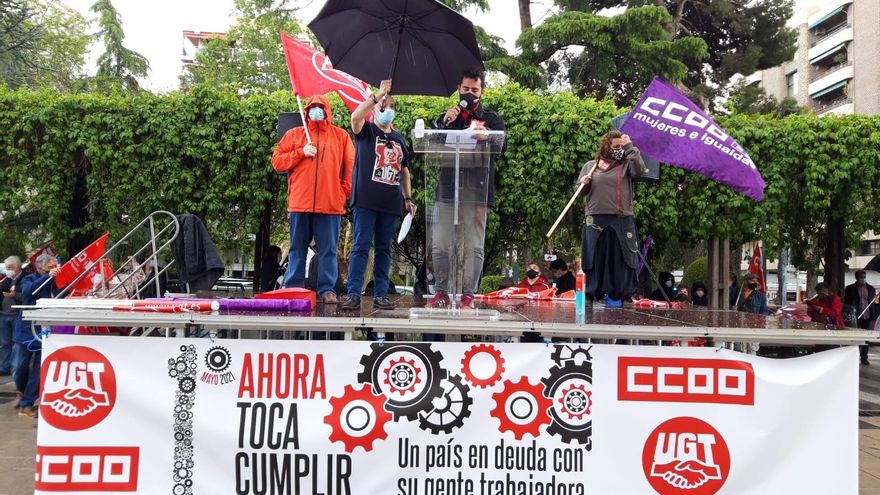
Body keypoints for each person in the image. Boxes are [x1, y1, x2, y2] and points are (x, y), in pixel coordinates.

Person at [426, 67, 506, 310]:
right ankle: (441, 292)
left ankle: (468, 296)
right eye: (465, 89)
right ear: (458, 89)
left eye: (474, 89)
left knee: (474, 246)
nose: (469, 93)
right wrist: (443, 123)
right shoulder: (446, 118)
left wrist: (488, 137)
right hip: (448, 191)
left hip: (477, 193)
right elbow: (430, 140)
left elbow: (503, 143)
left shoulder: (491, 119)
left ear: (482, 91)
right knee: (440, 243)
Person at [341, 80, 417, 311]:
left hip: (390, 203)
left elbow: (404, 171)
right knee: (361, 247)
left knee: (385, 249)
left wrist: (408, 199)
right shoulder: (366, 131)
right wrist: (377, 95)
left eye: (390, 105)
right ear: (374, 109)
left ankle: (381, 294)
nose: (386, 109)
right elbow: (355, 118)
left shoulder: (400, 139)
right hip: (365, 200)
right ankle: (353, 293)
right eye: (383, 106)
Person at [272, 94, 355, 304]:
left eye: (320, 107)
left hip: (330, 205)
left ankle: (327, 290)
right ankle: (293, 287)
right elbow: (277, 162)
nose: (316, 110)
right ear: (306, 110)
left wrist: (341, 194)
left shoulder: (341, 136)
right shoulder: (294, 135)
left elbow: (350, 169)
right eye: (312, 107)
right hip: (300, 203)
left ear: (327, 110)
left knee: (328, 250)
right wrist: (301, 152)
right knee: (297, 248)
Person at [577, 131, 647, 307]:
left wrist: (630, 148)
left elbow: (639, 171)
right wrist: (583, 183)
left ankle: (625, 293)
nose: (619, 150)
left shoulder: (626, 165)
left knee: (624, 255)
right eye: (616, 147)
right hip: (595, 216)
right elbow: (580, 193)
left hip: (621, 215)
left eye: (621, 147)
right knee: (594, 255)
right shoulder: (591, 166)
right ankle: (592, 293)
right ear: (606, 147)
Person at [13, 253, 60, 417]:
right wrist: (47, 277)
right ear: (40, 267)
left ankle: (27, 402)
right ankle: (20, 391)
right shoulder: (29, 279)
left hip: (44, 331)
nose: (54, 270)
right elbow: (29, 292)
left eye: (55, 267)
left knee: (39, 371)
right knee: (20, 367)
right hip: (26, 331)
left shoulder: (54, 283)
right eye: (50, 267)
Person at [844, 271, 877, 365]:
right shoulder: (850, 288)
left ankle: (864, 357)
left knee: (866, 337)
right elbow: (847, 302)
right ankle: (853, 356)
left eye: (864, 277)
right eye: (860, 277)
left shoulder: (870, 288)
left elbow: (873, 302)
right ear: (856, 277)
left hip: (867, 315)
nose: (862, 279)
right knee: (855, 337)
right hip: (855, 315)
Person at [0, 256, 24, 375]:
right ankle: (5, 367)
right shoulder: (6, 280)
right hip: (4, 315)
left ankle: (15, 368)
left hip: (16, 315)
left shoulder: (25, 278)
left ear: (18, 267)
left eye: (10, 267)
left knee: (16, 343)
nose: (8, 270)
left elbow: (26, 294)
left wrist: (15, 295)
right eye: (7, 267)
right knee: (5, 343)